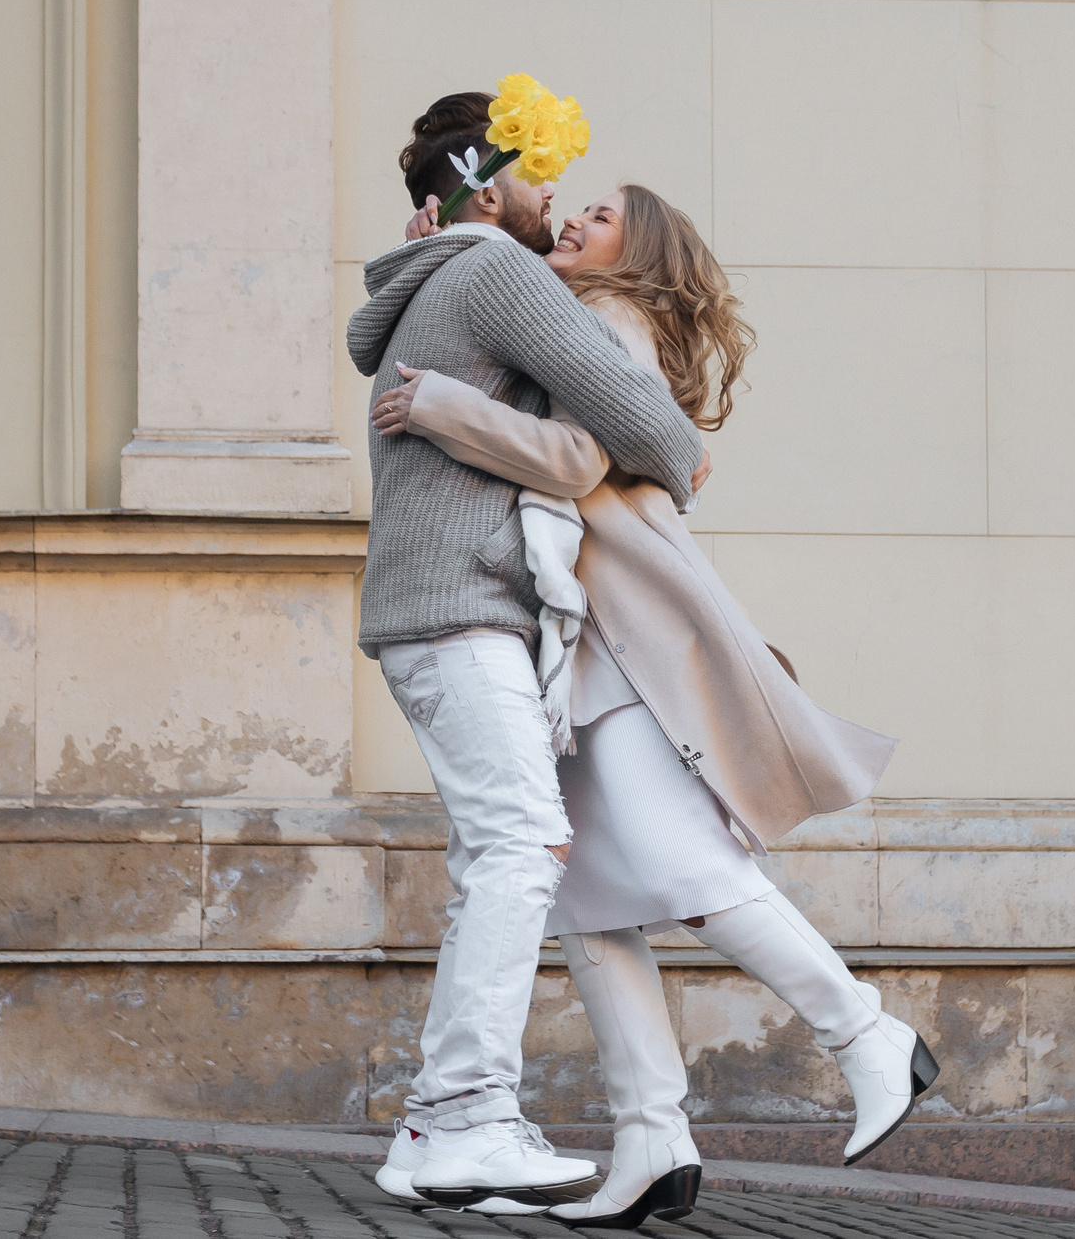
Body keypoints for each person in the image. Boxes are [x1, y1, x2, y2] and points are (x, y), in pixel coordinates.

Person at [372, 182, 937, 1227]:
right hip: (579, 641)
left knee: (679, 867)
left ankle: (866, 1035)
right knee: (586, 898)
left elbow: (580, 459)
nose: (577, 221)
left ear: (642, 253)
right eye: (573, 208)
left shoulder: (607, 315)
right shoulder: (558, 307)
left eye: (602, 216)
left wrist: (442, 406)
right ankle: (651, 1136)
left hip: (622, 641)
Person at [347, 95, 706, 1212]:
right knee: (523, 844)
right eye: (546, 184)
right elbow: (657, 434)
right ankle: (469, 1118)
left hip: (428, 608)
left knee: (492, 857)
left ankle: (424, 1129)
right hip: (462, 608)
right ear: (487, 185)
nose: (557, 211)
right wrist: (679, 457)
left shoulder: (430, 281)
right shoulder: (498, 276)